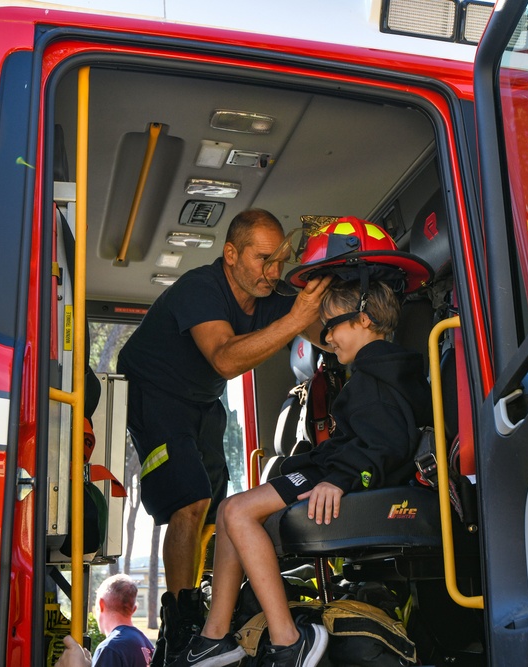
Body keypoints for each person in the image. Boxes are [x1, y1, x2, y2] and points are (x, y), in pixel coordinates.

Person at [170, 278, 432, 667]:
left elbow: (385, 445)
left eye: (332, 326)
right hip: (333, 468)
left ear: (363, 319)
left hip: (344, 476)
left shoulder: (381, 378)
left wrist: (341, 479)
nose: (326, 338)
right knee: (229, 510)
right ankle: (215, 636)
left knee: (238, 512)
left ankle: (289, 640)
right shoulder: (372, 372)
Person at [116, 209, 331, 665]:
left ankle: (213, 619)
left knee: (217, 509)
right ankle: (182, 625)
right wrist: (296, 320)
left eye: (282, 261)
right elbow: (225, 360)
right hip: (153, 393)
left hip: (201, 402)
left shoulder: (271, 295)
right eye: (263, 259)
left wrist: (346, 319)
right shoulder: (201, 288)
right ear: (231, 254)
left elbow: (323, 332)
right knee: (190, 501)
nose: (274, 272)